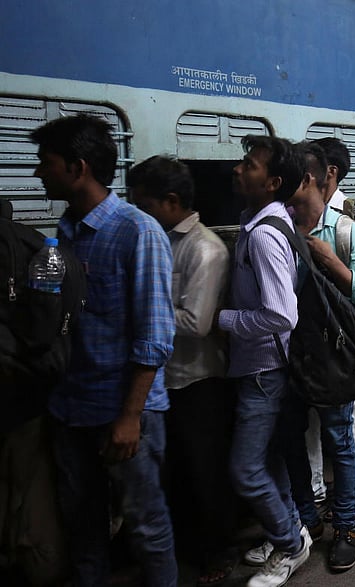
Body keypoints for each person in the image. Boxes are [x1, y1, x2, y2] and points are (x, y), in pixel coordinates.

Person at [32, 114, 177, 586]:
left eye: (46, 163)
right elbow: (50, 304)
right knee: (84, 527)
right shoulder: (65, 230)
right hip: (72, 408)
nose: (38, 172)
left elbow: (154, 336)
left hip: (124, 413)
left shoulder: (139, 232)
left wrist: (130, 416)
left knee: (146, 526)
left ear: (77, 167)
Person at [126, 156, 238, 584]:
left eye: (144, 204)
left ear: (171, 201)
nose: (138, 213)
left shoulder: (205, 248)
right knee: (176, 471)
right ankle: (186, 546)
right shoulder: (156, 239)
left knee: (204, 470)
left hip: (197, 379)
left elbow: (197, 322)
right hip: (164, 379)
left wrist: (141, 310)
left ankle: (217, 552)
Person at [217, 135, 312, 587]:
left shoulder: (265, 235)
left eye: (248, 164)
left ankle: (290, 545)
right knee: (270, 460)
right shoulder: (260, 222)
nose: (238, 169)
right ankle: (288, 530)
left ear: (272, 182)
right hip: (259, 367)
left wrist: (226, 319)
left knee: (245, 469)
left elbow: (280, 313)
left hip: (264, 370)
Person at [281, 141, 355, 572]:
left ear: (312, 180)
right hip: (287, 354)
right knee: (291, 440)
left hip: (331, 354)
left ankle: (346, 528)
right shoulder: (279, 227)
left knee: (338, 440)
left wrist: (328, 260)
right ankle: (307, 517)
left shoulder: (342, 230)